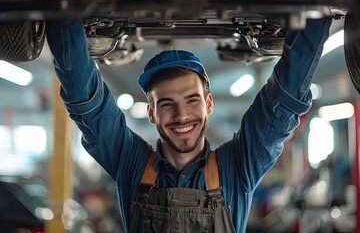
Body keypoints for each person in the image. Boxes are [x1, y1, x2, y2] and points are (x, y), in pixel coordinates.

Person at [45, 16, 331, 233]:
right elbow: (86, 101)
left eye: (191, 100)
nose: (181, 115)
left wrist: (317, 10)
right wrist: (63, 10)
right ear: (152, 113)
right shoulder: (129, 163)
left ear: (208, 104)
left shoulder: (238, 167)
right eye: (167, 104)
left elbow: (281, 104)